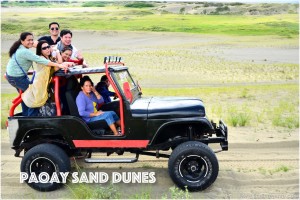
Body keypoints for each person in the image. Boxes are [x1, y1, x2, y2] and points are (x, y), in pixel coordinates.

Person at [6, 32, 72, 116]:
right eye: (28, 40)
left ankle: (25, 116)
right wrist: (60, 65)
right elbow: (42, 61)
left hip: (15, 76)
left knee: (26, 97)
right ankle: (30, 119)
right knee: (33, 97)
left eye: (32, 40)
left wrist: (52, 49)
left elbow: (39, 45)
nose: (31, 42)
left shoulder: (21, 47)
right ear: (22, 41)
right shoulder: (25, 52)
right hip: (17, 78)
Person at [21, 40, 62, 110]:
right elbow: (58, 65)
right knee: (34, 104)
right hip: (39, 86)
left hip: (44, 84)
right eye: (44, 48)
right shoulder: (41, 58)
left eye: (48, 47)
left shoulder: (48, 57)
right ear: (40, 50)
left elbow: (58, 65)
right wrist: (57, 52)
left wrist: (57, 52)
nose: (47, 49)